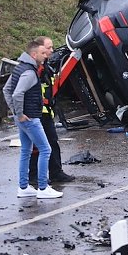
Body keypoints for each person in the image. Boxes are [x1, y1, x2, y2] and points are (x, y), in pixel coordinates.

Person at [2, 38, 63, 199]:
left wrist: (15, 113)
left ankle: (23, 187)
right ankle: (43, 188)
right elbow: (17, 93)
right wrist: (19, 113)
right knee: (45, 149)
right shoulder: (29, 72)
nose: (46, 55)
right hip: (30, 118)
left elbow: (6, 89)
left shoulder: (19, 67)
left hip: (24, 118)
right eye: (43, 53)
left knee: (26, 151)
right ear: (34, 55)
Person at [29, 37, 75, 185]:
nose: (51, 50)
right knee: (37, 146)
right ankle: (33, 177)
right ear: (39, 49)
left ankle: (56, 173)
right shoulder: (34, 68)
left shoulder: (46, 66)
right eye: (49, 48)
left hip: (46, 112)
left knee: (52, 142)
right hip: (37, 113)